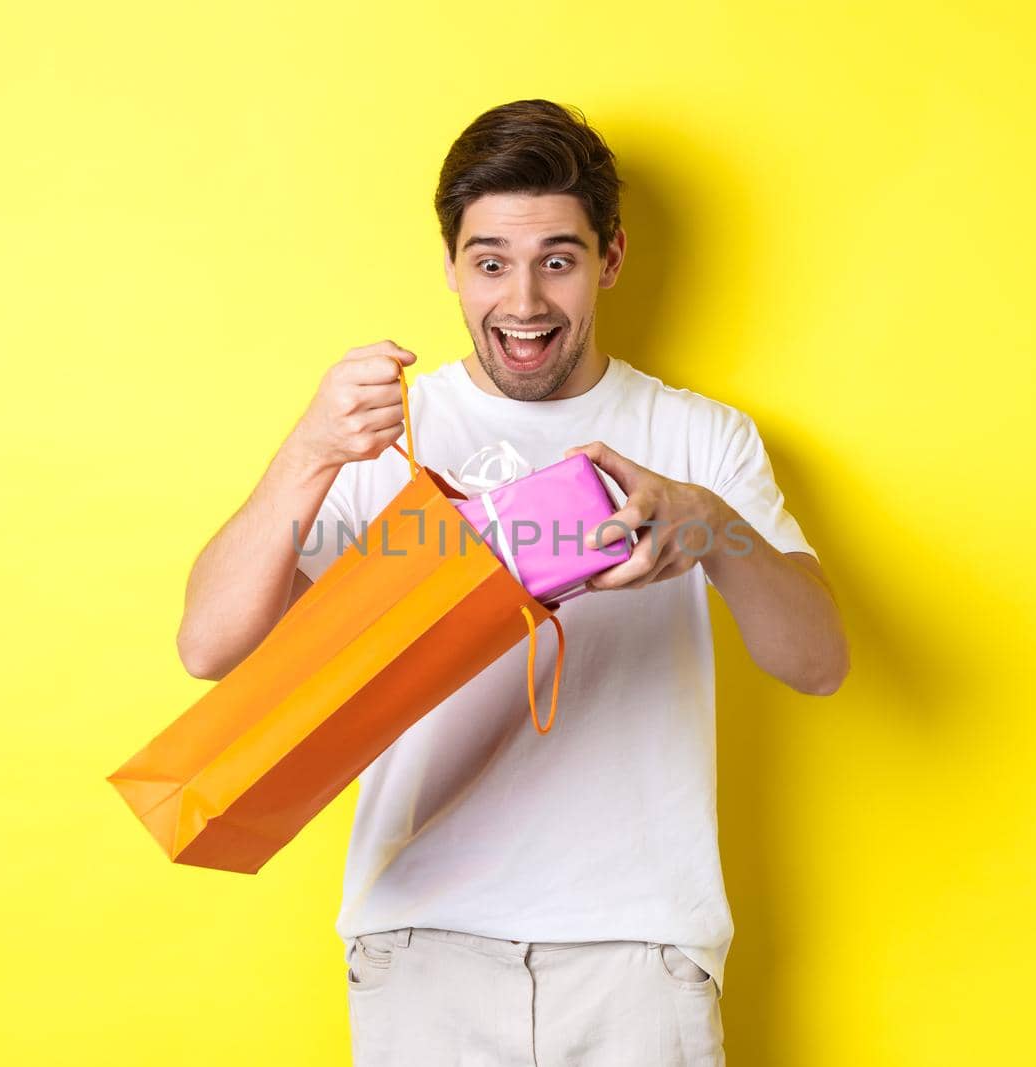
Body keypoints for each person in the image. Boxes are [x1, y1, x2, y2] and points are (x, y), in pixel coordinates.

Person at [175, 99, 849, 1066]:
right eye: (490, 262)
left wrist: (716, 528)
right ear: (452, 265)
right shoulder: (380, 441)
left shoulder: (703, 438)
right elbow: (208, 644)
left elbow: (819, 663)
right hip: (420, 944)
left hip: (640, 948)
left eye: (558, 261)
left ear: (609, 259)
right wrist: (310, 448)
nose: (525, 303)